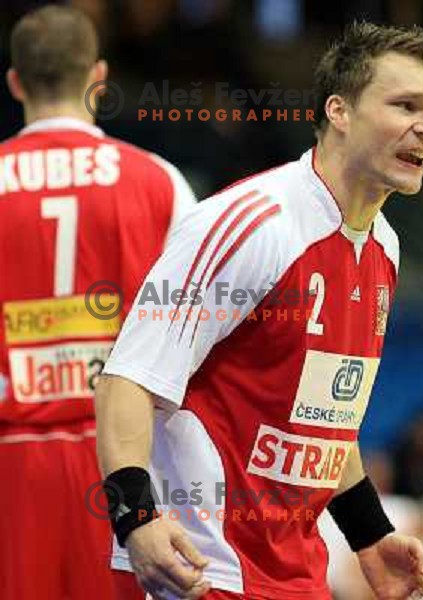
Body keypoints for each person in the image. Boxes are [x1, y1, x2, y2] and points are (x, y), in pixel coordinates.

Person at [95, 21, 423, 600]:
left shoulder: (383, 248)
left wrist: (369, 537)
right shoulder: (253, 222)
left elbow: (325, 421)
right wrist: (136, 522)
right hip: (199, 568)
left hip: (296, 574)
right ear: (339, 111)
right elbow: (126, 380)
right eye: (406, 104)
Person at [0, 6, 196, 600]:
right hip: (127, 469)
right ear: (100, 77)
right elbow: (199, 338)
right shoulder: (159, 180)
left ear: (15, 81)